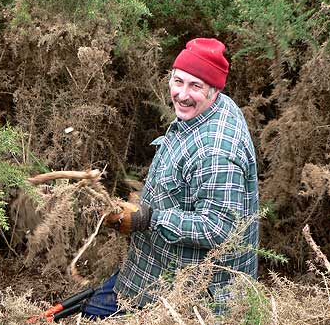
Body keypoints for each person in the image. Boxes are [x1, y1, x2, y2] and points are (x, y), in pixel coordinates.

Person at [81, 37, 259, 318]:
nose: (182, 94)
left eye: (195, 86)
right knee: (89, 305)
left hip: (189, 292)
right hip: (153, 264)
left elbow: (219, 228)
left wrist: (149, 219)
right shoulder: (206, 111)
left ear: (213, 90)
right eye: (178, 81)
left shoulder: (216, 150)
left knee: (93, 314)